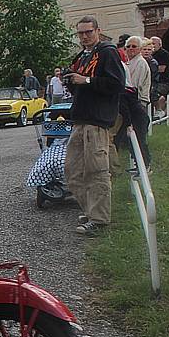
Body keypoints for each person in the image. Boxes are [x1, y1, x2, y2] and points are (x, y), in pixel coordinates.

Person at [63, 15, 125, 237]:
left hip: (97, 120)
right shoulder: (82, 56)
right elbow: (79, 85)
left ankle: (99, 220)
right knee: (73, 170)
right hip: (81, 119)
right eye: (81, 33)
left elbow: (118, 84)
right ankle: (91, 211)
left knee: (97, 171)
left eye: (89, 32)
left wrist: (86, 81)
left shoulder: (107, 52)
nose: (85, 36)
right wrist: (71, 81)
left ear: (98, 31)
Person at [119, 36, 152, 170]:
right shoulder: (130, 63)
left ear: (139, 48)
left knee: (138, 135)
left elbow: (134, 85)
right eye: (128, 47)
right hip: (132, 101)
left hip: (138, 102)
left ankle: (145, 165)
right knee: (132, 137)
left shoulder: (140, 63)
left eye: (134, 46)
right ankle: (139, 165)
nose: (130, 49)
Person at [151, 36, 169, 117]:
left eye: (154, 44)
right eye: (150, 44)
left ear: (160, 45)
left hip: (164, 81)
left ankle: (159, 113)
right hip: (155, 80)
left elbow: (162, 69)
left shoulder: (163, 54)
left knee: (155, 93)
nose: (152, 46)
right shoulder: (151, 55)